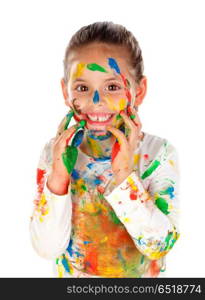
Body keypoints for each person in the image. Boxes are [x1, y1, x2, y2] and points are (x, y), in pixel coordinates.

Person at [29, 21, 180, 278]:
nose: (96, 102)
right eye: (82, 88)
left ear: (139, 91)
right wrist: (59, 178)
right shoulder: (55, 154)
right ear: (65, 92)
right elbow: (47, 248)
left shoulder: (157, 154)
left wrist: (123, 174)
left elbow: (159, 246)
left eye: (112, 87)